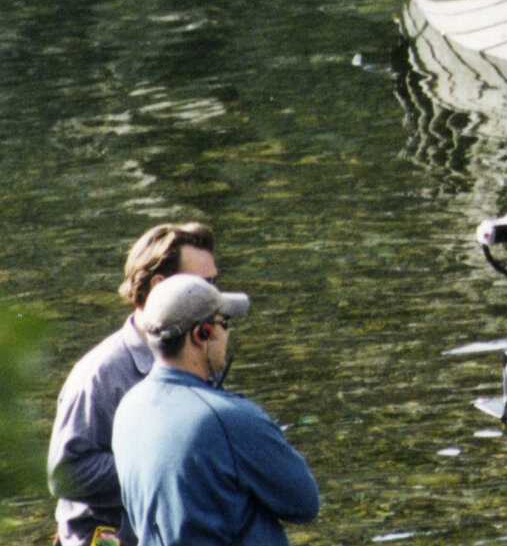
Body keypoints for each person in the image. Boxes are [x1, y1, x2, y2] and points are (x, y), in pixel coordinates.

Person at [111, 274, 320, 546]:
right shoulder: (230, 419)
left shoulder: (128, 408)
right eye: (224, 323)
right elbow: (304, 504)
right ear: (202, 334)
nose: (228, 333)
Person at [48, 222, 219, 546]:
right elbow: (65, 475)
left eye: (216, 283)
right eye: (204, 285)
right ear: (159, 286)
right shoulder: (100, 374)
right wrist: (159, 464)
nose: (216, 298)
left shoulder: (201, 354)